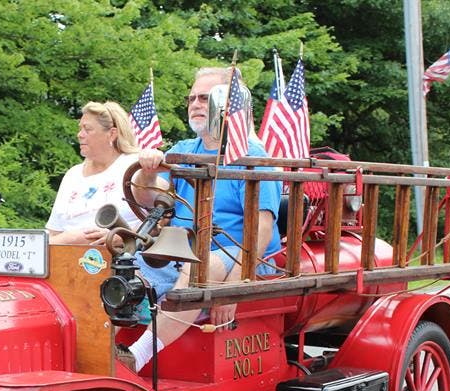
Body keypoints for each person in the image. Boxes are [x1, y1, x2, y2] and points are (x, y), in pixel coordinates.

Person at [119, 67, 283, 373]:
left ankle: (136, 357)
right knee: (119, 264)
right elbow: (145, 199)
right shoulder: (183, 151)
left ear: (227, 105)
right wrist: (149, 168)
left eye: (204, 97)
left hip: (239, 251)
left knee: (199, 265)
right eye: (192, 97)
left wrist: (232, 290)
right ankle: (98, 352)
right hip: (182, 246)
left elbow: (261, 229)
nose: (195, 103)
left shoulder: (253, 157)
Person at [46, 101, 141, 245]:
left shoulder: (133, 166)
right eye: (80, 129)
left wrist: (122, 236)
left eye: (87, 129)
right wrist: (70, 239)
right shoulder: (73, 175)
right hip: (65, 258)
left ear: (112, 133)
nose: (79, 135)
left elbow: (158, 221)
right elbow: (54, 232)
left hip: (120, 259)